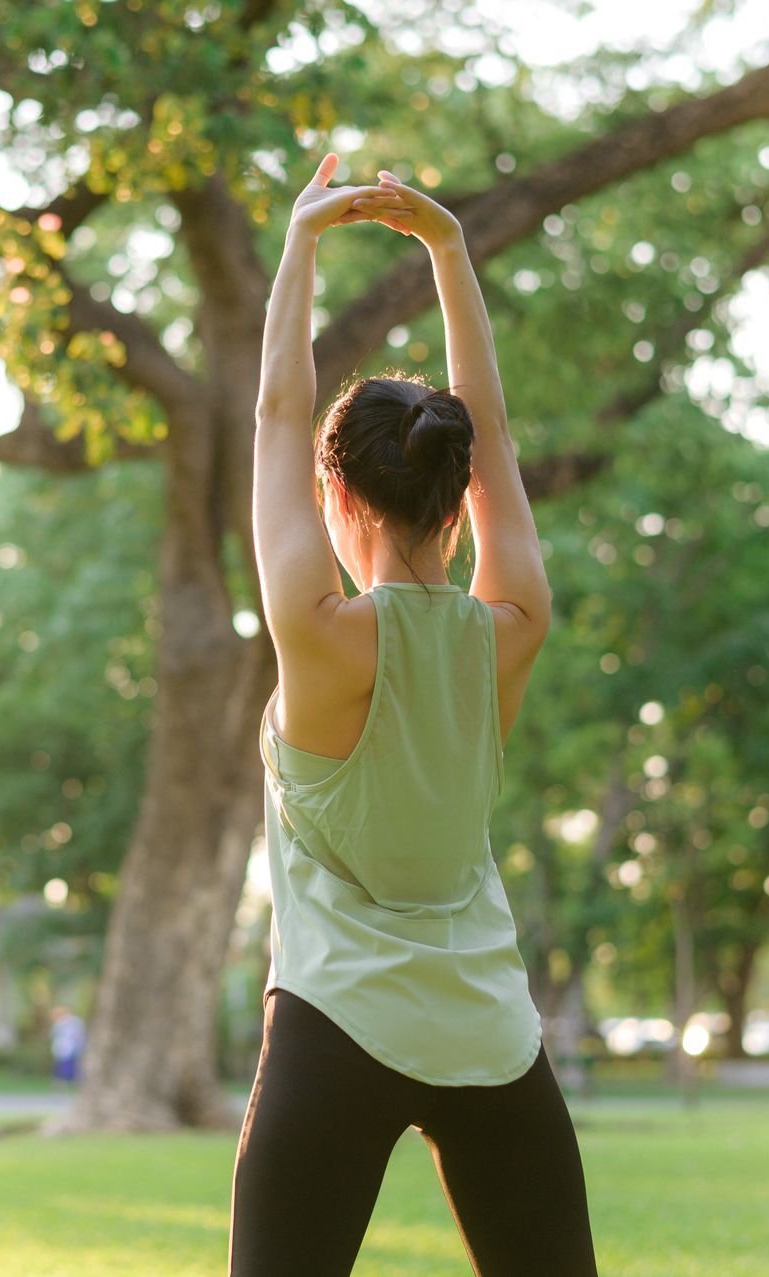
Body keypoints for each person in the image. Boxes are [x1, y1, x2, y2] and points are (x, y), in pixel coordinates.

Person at [229, 153, 599, 1276]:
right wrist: (449, 247)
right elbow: (496, 441)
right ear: (459, 492)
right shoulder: (513, 625)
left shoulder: (322, 631)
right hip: (487, 1032)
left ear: (337, 494)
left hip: (333, 1027)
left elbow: (276, 413)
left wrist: (300, 243)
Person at [49, 1005, 86, 1088]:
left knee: (72, 1067)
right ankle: (61, 1084)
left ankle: (73, 1083)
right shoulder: (59, 1023)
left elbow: (79, 1035)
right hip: (63, 1049)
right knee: (62, 1067)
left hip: (71, 1047)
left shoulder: (72, 1022)